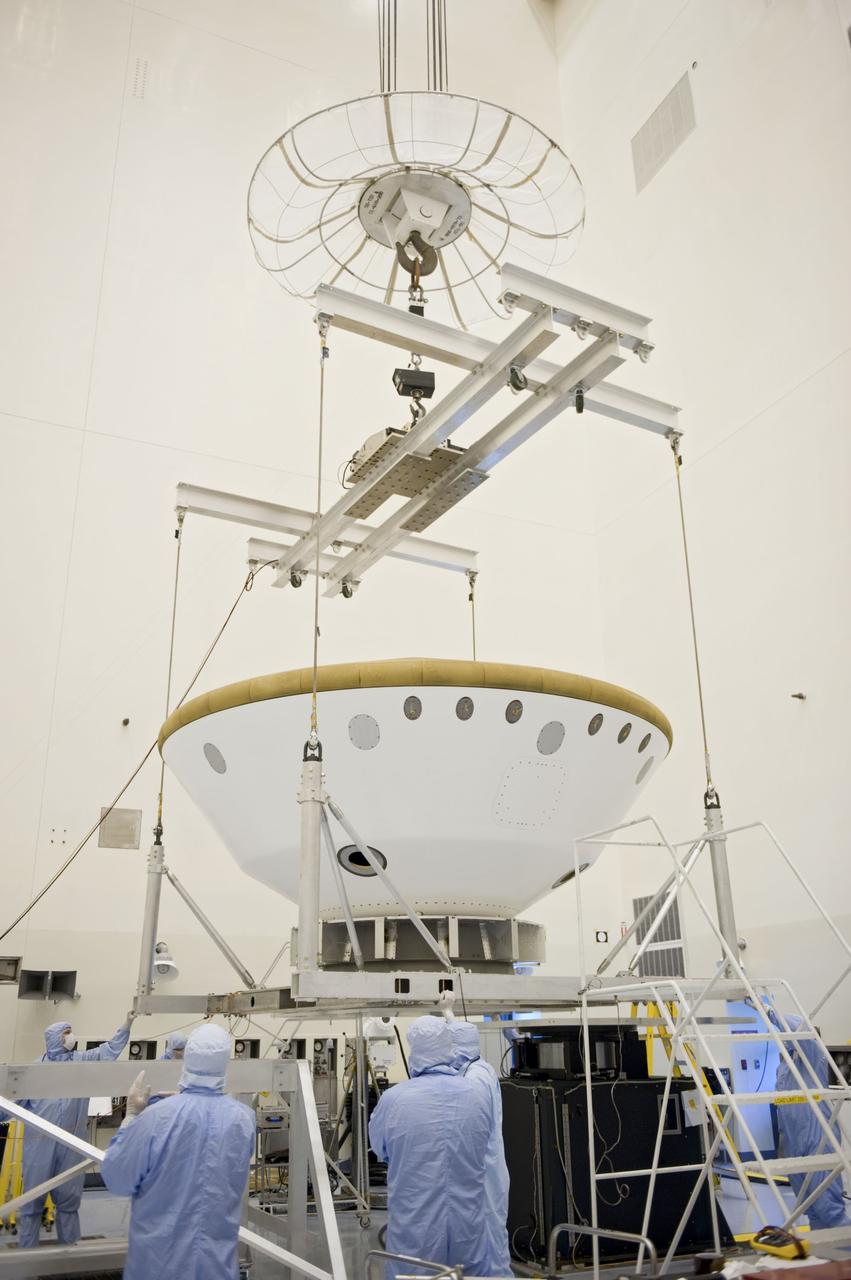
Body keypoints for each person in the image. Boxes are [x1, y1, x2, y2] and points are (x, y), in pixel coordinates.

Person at [101, 1023, 254, 1280]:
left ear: (189, 1058)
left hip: (158, 1268)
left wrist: (131, 1119)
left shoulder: (155, 1118)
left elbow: (117, 1178)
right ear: (225, 1062)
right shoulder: (244, 1119)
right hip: (217, 1269)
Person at [369, 1016, 494, 1276]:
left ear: (415, 1051)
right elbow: (485, 1143)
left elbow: (380, 1150)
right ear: (449, 1048)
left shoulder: (394, 1100)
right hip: (468, 1226)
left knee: (415, 1274)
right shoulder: (478, 1095)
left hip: (417, 1227)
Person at [17, 1012, 136, 1249]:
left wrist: (127, 1023)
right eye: (66, 1033)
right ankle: (24, 1260)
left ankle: (68, 1254)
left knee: (69, 1203)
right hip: (39, 1144)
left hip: (72, 1143)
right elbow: (13, 1102)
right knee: (31, 1203)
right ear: (54, 1039)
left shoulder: (82, 1061)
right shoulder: (33, 1071)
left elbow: (110, 1050)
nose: (71, 1037)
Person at [773, 1012, 850, 1232]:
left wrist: (769, 1011)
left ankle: (845, 1253)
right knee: (809, 1207)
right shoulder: (783, 1068)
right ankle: (826, 1257)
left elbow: (799, 1028)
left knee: (829, 1208)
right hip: (794, 1141)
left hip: (817, 1137)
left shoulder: (812, 1056)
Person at [450, 1021, 512, 1275]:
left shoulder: (475, 1077)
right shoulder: (477, 1067)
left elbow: (467, 1123)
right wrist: (448, 1014)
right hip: (485, 1168)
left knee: (490, 1236)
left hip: (484, 1171)